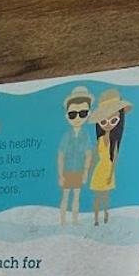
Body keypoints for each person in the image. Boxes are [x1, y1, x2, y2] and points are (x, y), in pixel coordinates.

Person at [88, 87, 134, 226]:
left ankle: (106, 214)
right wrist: (89, 169)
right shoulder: (100, 140)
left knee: (105, 197)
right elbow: (95, 156)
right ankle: (96, 219)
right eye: (103, 121)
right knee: (97, 197)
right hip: (99, 170)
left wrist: (111, 174)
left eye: (113, 120)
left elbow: (115, 159)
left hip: (108, 170)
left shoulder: (115, 142)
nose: (108, 124)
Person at [56, 84, 95, 224]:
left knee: (77, 196)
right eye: (73, 114)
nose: (78, 118)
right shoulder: (67, 136)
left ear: (88, 113)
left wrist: (85, 172)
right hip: (67, 171)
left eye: (82, 113)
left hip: (78, 170)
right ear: (67, 116)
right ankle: (62, 222)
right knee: (65, 196)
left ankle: (74, 221)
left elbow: (88, 154)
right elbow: (61, 155)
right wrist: (60, 175)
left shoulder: (85, 136)